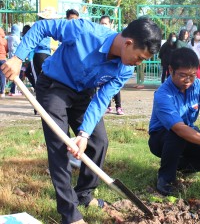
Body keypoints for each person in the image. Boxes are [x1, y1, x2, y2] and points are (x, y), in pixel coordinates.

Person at [1, 17, 161, 224]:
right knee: (60, 145)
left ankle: (84, 195)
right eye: (139, 58)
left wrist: (84, 134)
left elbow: (101, 99)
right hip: (54, 86)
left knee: (98, 142)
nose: (138, 64)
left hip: (83, 93)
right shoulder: (84, 31)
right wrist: (18, 57)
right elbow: (42, 27)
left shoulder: (125, 69)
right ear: (128, 43)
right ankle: (70, 214)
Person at [148, 47, 200, 196]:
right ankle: (165, 179)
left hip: (189, 133)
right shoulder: (163, 94)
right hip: (162, 139)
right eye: (182, 75)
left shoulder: (198, 86)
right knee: (180, 136)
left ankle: (182, 166)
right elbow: (179, 128)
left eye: (192, 75)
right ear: (170, 70)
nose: (188, 80)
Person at [100, 15, 125, 115]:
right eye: (102, 23)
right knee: (104, 86)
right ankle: (108, 106)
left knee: (115, 87)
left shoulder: (115, 36)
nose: (103, 25)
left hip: (114, 66)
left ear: (110, 25)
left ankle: (118, 107)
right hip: (103, 66)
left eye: (105, 23)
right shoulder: (98, 36)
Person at [32, 7, 60, 85]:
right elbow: (40, 43)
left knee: (44, 77)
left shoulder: (42, 26)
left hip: (43, 55)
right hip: (41, 54)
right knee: (44, 77)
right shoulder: (42, 27)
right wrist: (52, 47)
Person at [7, 24, 21, 96]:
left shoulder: (9, 38)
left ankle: (12, 90)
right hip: (16, 57)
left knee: (12, 75)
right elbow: (20, 46)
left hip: (10, 57)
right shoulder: (16, 38)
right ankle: (14, 91)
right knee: (16, 75)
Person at [0, 27, 7, 98]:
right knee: (2, 76)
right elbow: (7, 49)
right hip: (2, 59)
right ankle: (2, 92)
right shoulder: (4, 40)